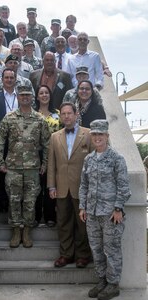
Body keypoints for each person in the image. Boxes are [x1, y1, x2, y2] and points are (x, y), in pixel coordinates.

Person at [79, 119, 131, 300]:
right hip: (92, 214)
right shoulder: (89, 159)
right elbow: (83, 185)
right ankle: (101, 281)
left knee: (112, 249)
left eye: (101, 134)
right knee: (96, 249)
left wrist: (118, 208)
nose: (97, 137)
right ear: (91, 136)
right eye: (94, 134)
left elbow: (124, 188)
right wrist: (82, 207)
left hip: (110, 214)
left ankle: (113, 284)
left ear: (107, 136)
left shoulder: (117, 159)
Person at [0, 85, 50, 248]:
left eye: (28, 95)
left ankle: (26, 231)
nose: (25, 97)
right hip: (13, 168)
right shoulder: (9, 118)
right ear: (17, 97)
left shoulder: (40, 119)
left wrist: (45, 163)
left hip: (33, 168)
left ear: (32, 97)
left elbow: (47, 143)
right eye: (22, 95)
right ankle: (15, 231)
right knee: (14, 200)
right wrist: (0, 162)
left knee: (30, 201)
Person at [47, 102, 93, 268]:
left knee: (82, 224)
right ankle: (66, 255)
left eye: (69, 113)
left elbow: (94, 163)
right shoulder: (54, 137)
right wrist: (51, 186)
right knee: (63, 223)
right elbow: (51, 164)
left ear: (76, 114)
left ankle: (82, 255)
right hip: (61, 188)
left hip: (82, 188)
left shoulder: (88, 134)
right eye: (63, 114)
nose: (66, 116)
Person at [0, 69, 18, 213]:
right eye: (6, 77)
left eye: (11, 77)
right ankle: (3, 203)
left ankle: (17, 203)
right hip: (2, 141)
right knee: (2, 173)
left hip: (19, 142)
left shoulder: (21, 97)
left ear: (15, 79)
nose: (9, 80)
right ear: (2, 79)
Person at [34, 85, 61, 226]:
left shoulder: (57, 113)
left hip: (54, 152)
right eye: (41, 93)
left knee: (51, 184)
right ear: (37, 96)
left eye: (46, 93)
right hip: (35, 154)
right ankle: (36, 216)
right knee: (37, 186)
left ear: (50, 95)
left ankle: (50, 216)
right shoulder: (32, 113)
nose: (44, 95)